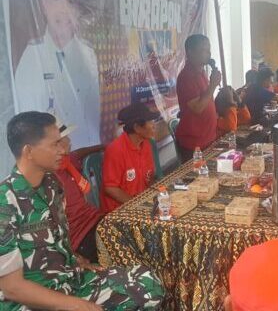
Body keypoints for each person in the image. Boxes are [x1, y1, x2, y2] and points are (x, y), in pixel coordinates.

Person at [0, 112, 164, 310]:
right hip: (35, 301)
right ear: (29, 151)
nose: (63, 149)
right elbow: (12, 288)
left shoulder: (52, 184)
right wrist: (77, 305)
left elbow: (58, 239)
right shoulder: (5, 203)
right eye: (55, 144)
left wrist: (77, 260)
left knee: (148, 282)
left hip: (70, 281)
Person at [14, 0, 100, 149]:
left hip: (82, 156)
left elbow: (92, 115)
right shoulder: (31, 58)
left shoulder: (88, 55)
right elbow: (25, 127)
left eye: (68, 1)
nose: (62, 10)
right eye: (54, 0)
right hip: (48, 159)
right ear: (44, 5)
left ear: (75, 7)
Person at [54, 121, 104, 263]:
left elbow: (79, 153)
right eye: (65, 139)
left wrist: (102, 146)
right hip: (80, 236)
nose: (70, 142)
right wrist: (75, 257)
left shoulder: (67, 161)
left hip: (94, 219)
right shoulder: (50, 180)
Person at [100, 103, 158, 214]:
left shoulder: (146, 144)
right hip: (119, 210)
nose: (154, 125)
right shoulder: (115, 150)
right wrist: (138, 205)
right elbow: (110, 188)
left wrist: (153, 196)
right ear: (137, 128)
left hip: (140, 201)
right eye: (150, 122)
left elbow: (149, 176)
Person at [175, 34, 221, 162]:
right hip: (194, 143)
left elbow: (206, 99)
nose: (209, 53)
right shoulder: (186, 77)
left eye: (209, 49)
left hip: (209, 137)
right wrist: (213, 85)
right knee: (198, 175)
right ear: (190, 52)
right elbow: (198, 108)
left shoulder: (202, 72)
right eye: (204, 50)